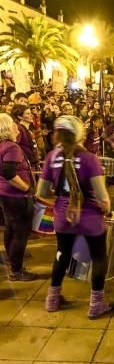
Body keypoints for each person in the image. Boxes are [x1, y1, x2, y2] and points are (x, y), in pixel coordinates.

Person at [36, 116, 114, 319]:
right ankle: (96, 304)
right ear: (79, 133)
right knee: (99, 257)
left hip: (63, 216)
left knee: (62, 253)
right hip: (90, 217)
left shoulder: (52, 157)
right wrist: (107, 210)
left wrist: (62, 203)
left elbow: (41, 192)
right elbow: (102, 197)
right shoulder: (89, 159)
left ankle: (52, 299)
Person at [0, 113, 37, 281]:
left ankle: (11, 257)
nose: (17, 127)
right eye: (13, 124)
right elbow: (9, 172)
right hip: (15, 195)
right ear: (8, 128)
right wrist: (27, 188)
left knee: (10, 228)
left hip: (5, 194)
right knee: (20, 232)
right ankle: (17, 270)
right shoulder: (12, 147)